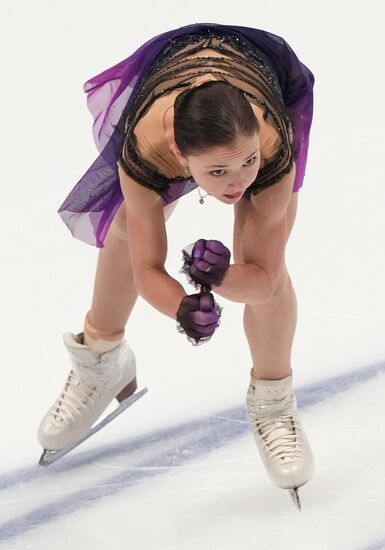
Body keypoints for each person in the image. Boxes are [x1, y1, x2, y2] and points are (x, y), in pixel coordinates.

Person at [37, 22, 315, 503]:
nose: (237, 182)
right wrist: (182, 309)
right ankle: (102, 360)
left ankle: (273, 401)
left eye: (244, 162)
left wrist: (223, 274)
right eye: (218, 172)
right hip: (168, 91)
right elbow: (148, 268)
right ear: (180, 156)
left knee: (267, 255)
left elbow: (264, 279)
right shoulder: (146, 148)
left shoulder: (270, 145)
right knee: (127, 226)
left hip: (257, 76)